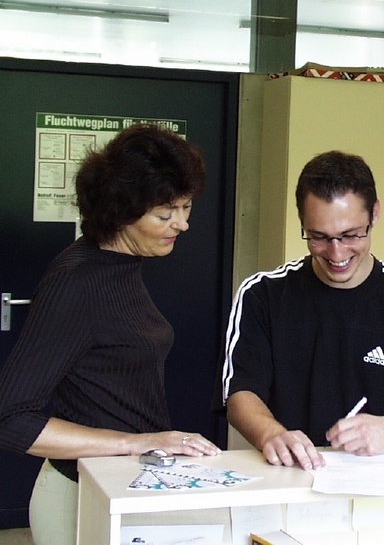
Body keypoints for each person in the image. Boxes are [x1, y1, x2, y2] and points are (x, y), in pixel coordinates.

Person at [0, 123, 221, 545]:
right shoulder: (77, 282)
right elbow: (10, 418)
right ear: (121, 212)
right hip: (80, 498)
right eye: (165, 214)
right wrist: (133, 442)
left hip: (123, 488)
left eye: (185, 207)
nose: (182, 224)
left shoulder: (123, 265)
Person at [217, 151, 384, 470]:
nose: (336, 253)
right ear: (302, 222)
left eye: (351, 235)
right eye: (319, 237)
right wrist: (271, 435)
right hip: (290, 477)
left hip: (383, 485)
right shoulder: (263, 295)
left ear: (374, 214)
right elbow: (241, 393)